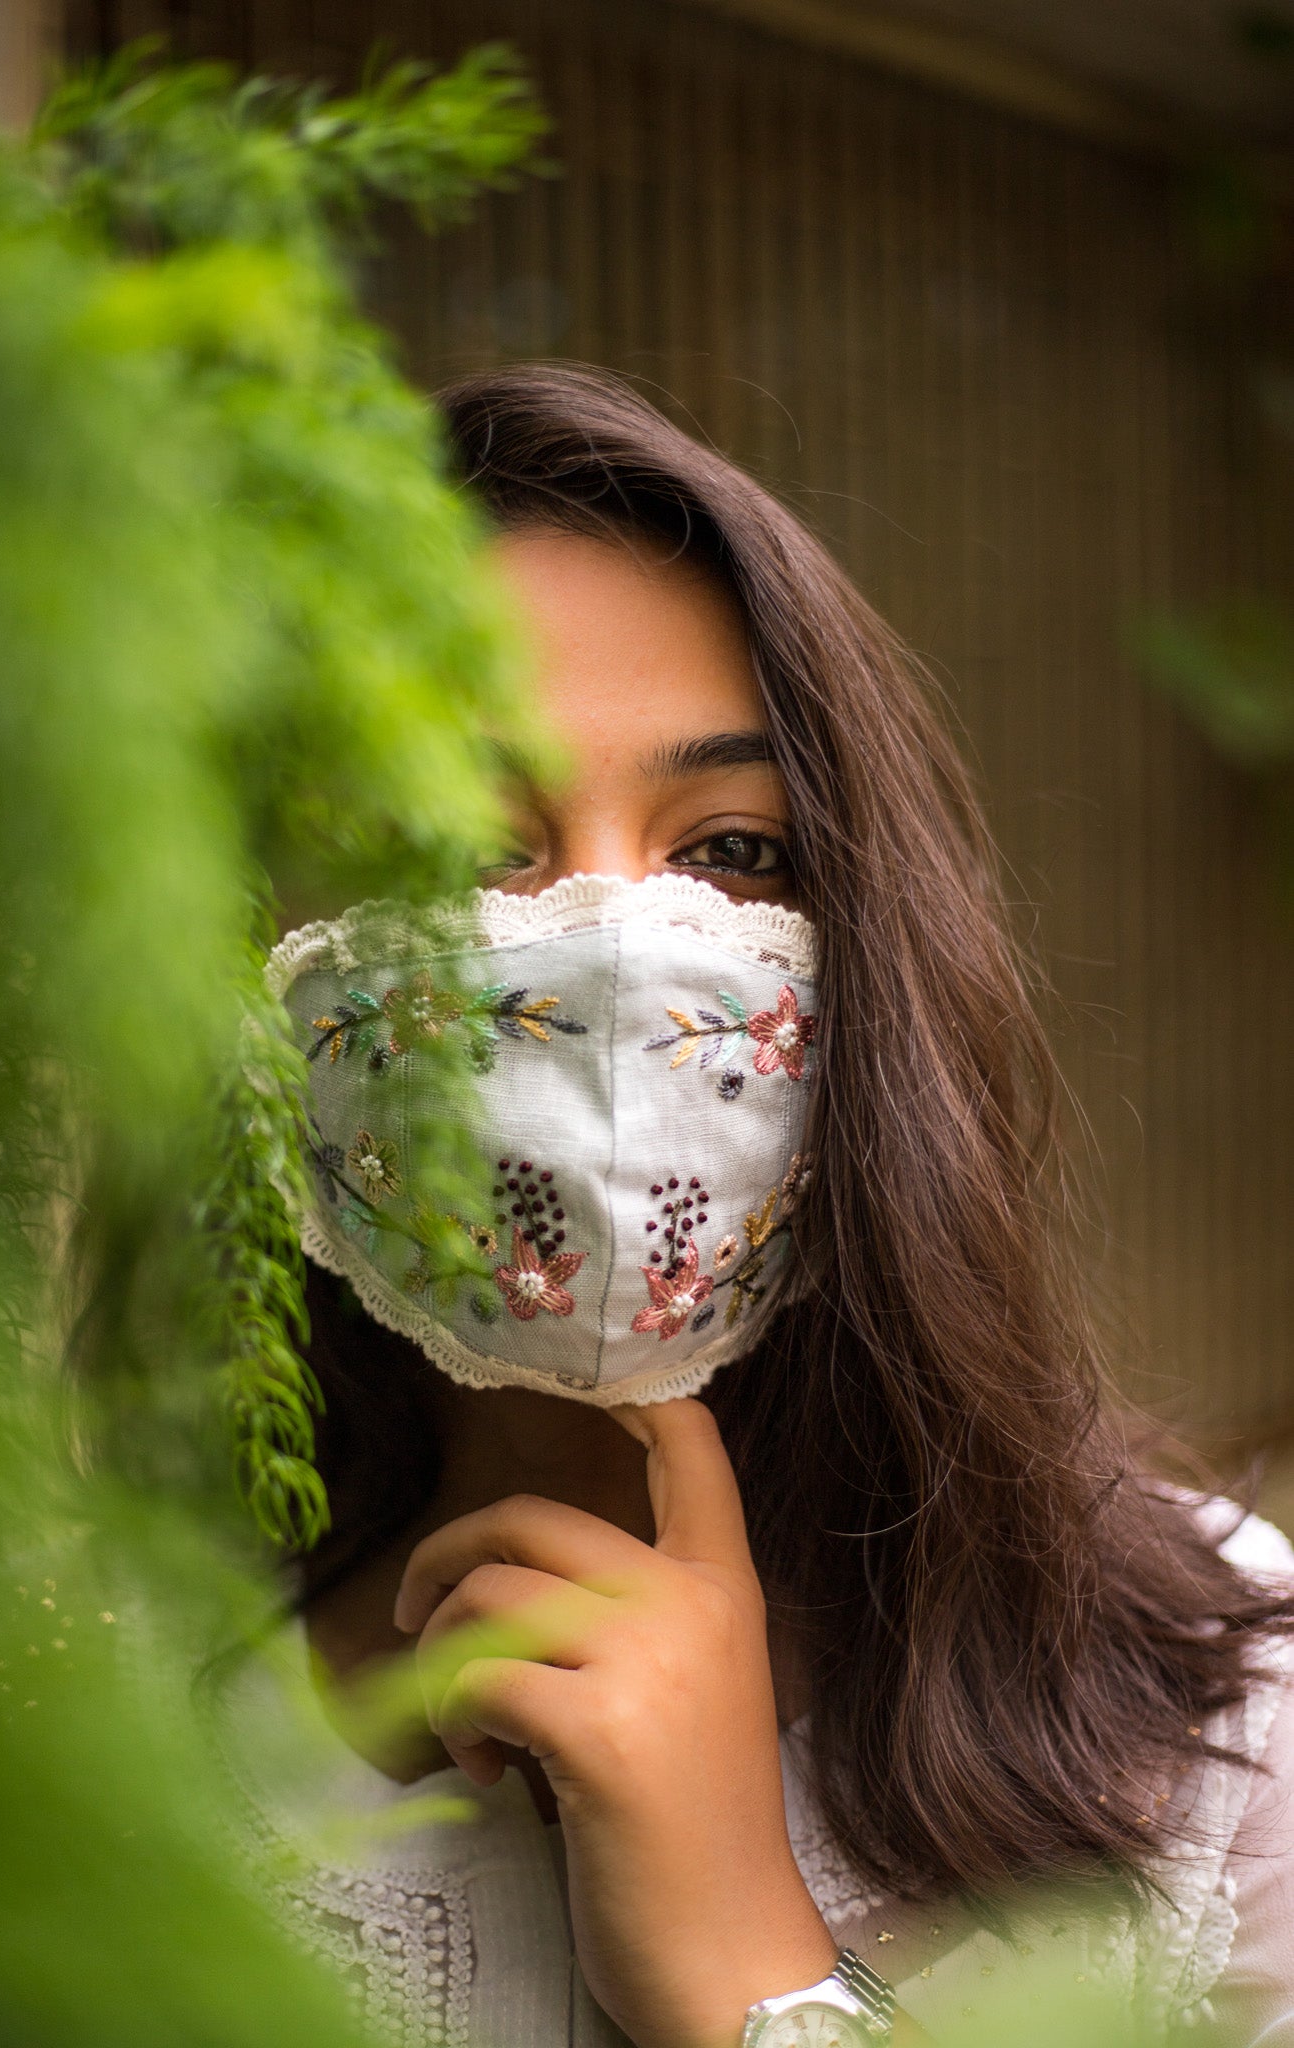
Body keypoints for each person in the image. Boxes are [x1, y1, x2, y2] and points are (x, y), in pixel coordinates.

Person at [252, 364, 1294, 2047]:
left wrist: (749, 1975)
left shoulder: (1218, 1699)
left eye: (731, 854)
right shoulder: (79, 1675)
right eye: (455, 847)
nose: (609, 938)